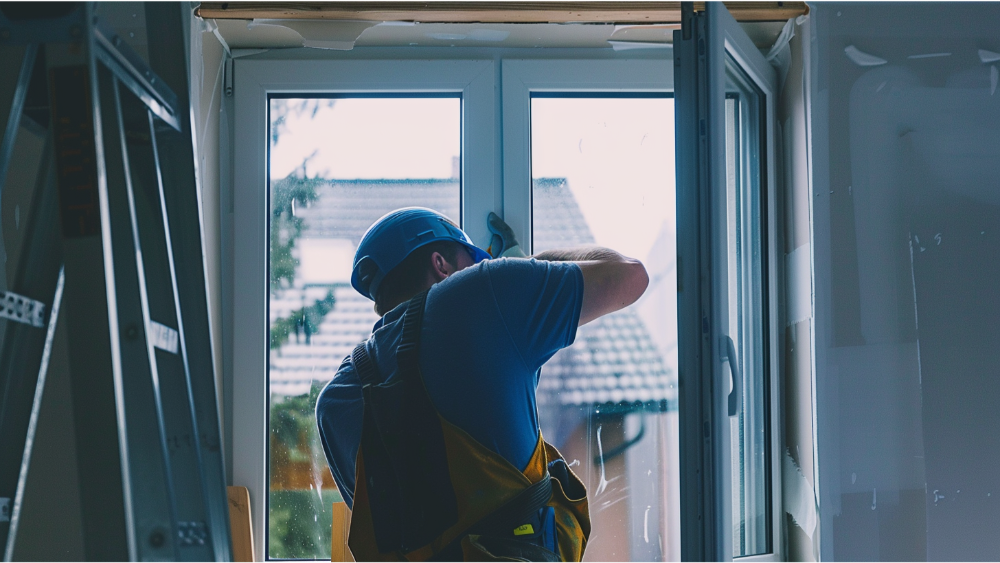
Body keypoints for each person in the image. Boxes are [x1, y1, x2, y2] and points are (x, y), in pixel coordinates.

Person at [316, 207, 648, 562]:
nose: (479, 268)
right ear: (441, 264)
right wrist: (526, 265)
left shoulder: (334, 403)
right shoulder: (480, 293)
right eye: (472, 261)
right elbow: (629, 276)